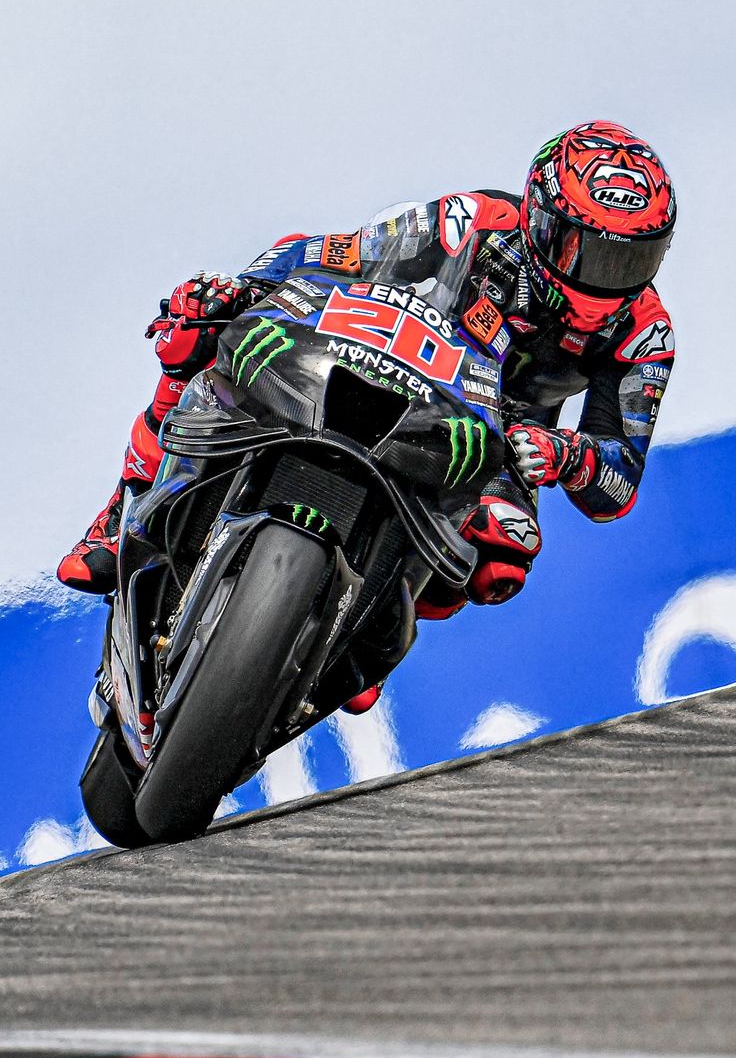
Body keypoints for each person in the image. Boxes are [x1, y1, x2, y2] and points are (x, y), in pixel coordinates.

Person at [58, 120, 676, 707]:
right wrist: (242, 289)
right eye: (589, 253)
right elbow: (338, 252)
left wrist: (564, 455)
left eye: (632, 261)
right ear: (541, 220)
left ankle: (355, 627)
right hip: (385, 354)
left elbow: (617, 482)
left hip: (495, 434)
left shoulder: (645, 332)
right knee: (197, 334)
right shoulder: (474, 223)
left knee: (503, 553)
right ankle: (123, 511)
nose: (609, 280)